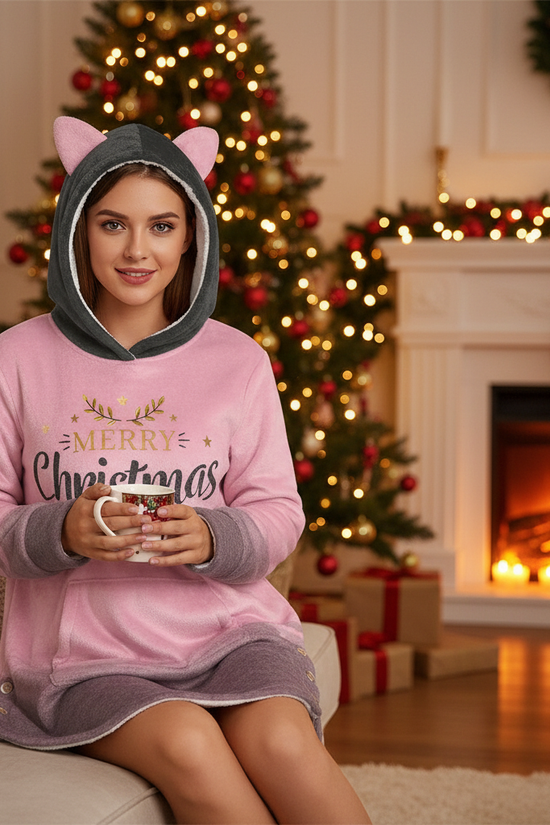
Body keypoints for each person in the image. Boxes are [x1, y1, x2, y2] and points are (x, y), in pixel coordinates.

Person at [0, 116, 370, 824]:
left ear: (193, 234)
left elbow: (277, 511)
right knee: (191, 745)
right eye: (113, 224)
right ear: (77, 228)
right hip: (88, 657)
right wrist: (62, 528)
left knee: (286, 744)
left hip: (231, 634)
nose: (137, 250)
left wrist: (212, 536)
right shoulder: (17, 357)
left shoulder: (239, 361)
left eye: (162, 226)